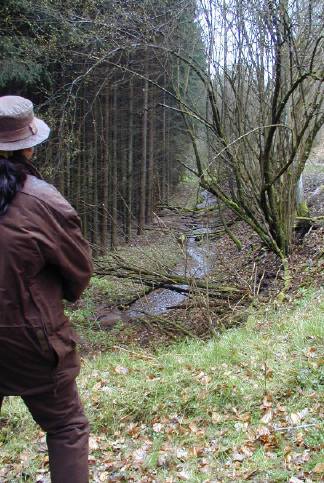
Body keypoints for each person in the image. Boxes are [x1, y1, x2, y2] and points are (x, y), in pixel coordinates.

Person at [0, 96, 93, 482]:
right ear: (29, 144)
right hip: (30, 342)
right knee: (67, 427)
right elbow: (80, 269)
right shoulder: (41, 199)